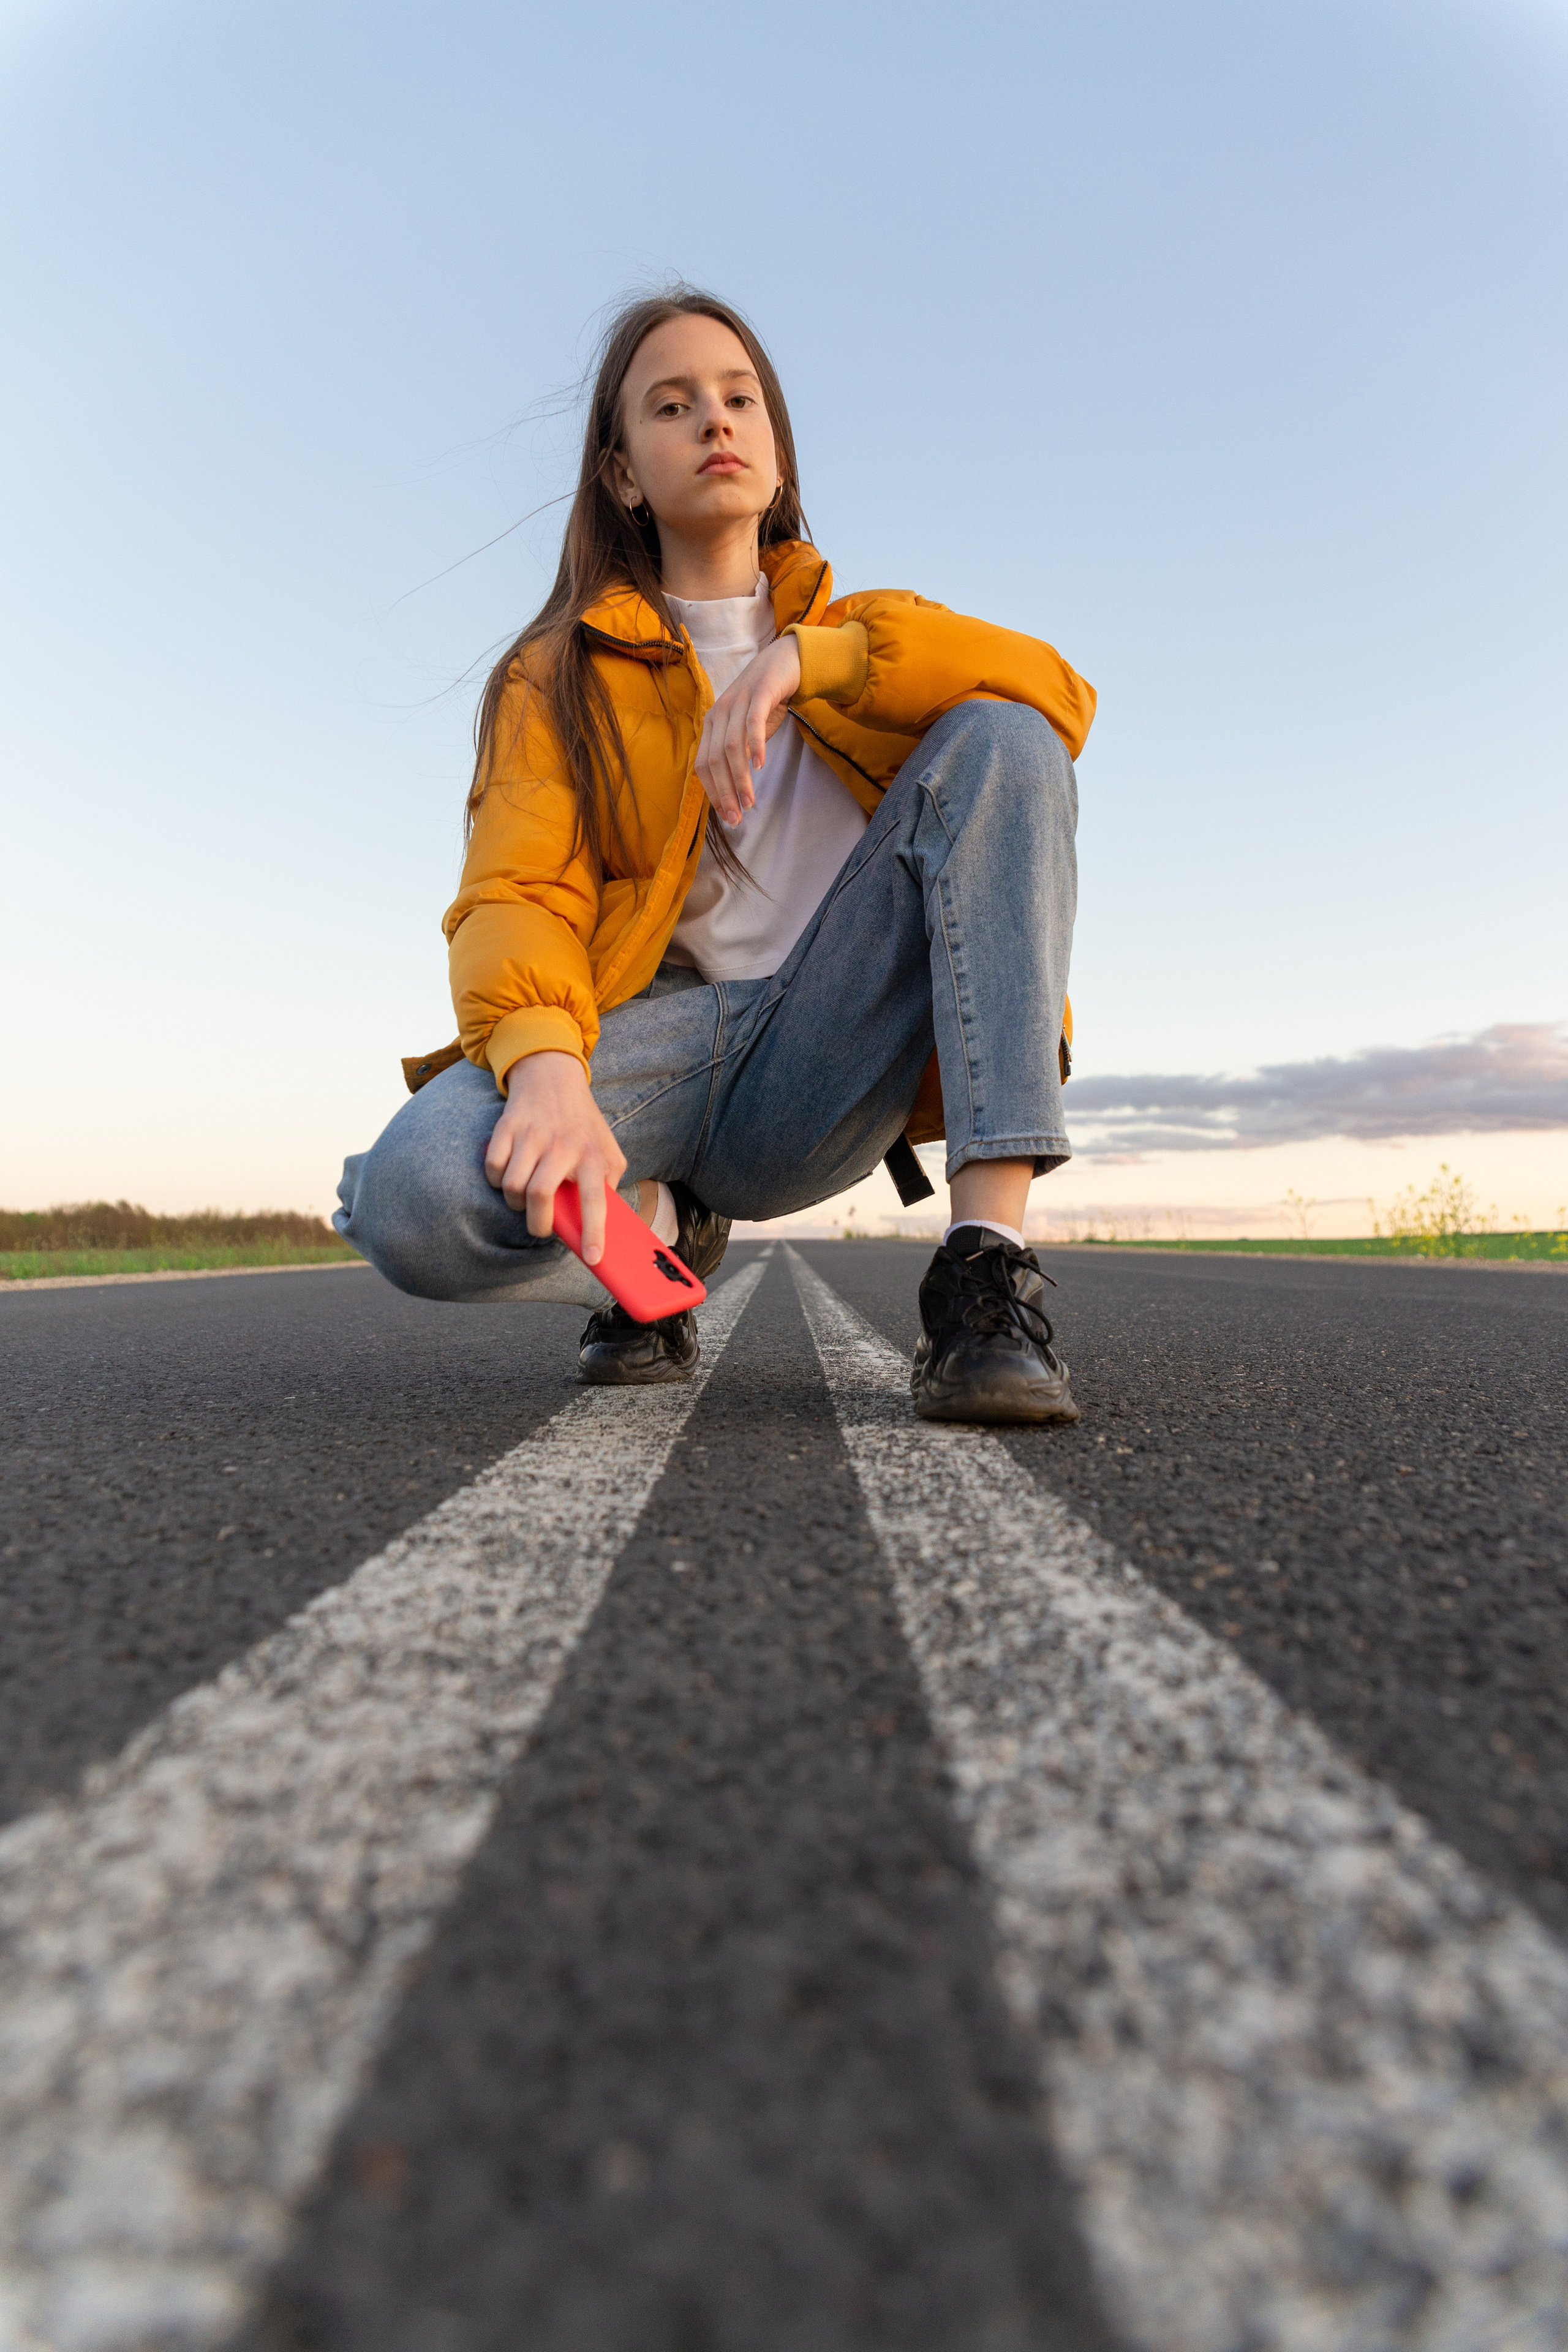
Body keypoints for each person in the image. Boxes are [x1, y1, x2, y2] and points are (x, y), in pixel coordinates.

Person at [336, 287, 1095, 1424]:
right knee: (407, 1198)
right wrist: (544, 1071)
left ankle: (986, 1271)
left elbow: (1059, 699)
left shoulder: (869, 632)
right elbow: (517, 890)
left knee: (1003, 736)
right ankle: (653, 1243)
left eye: (740, 398)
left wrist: (811, 663)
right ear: (625, 474)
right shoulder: (553, 676)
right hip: (663, 1041)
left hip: (828, 1046)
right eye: (674, 404)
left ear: (778, 457)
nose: (716, 422)